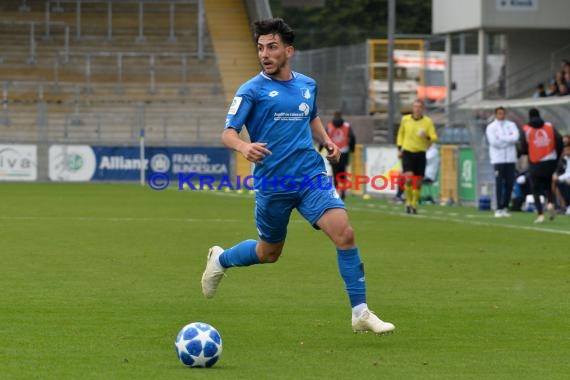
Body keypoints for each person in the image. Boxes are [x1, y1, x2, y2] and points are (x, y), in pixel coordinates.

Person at [200, 18, 395, 335]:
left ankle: (360, 312)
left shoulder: (307, 84)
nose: (265, 53)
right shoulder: (251, 90)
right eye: (261, 48)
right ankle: (221, 260)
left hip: (310, 176)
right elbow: (228, 133)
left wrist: (326, 141)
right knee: (269, 253)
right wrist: (243, 146)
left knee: (344, 233)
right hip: (273, 183)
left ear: (288, 51)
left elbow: (312, 116)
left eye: (272, 47)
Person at [520, 108, 564, 223]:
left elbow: (523, 147)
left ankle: (540, 214)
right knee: (549, 186)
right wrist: (556, 154)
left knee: (535, 188)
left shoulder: (526, 129)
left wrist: (528, 152)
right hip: (550, 161)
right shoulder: (549, 126)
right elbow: (559, 140)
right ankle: (550, 203)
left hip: (535, 162)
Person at [396, 99, 438, 214]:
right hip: (408, 152)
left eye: (419, 106)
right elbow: (401, 134)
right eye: (415, 106)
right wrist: (399, 149)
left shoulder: (427, 122)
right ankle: (408, 202)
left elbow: (434, 137)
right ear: (413, 108)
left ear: (422, 108)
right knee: (409, 178)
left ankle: (414, 204)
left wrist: (426, 136)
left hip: (420, 152)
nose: (417, 109)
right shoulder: (406, 120)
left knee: (418, 181)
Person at [485, 106, 520, 217]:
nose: (501, 115)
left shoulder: (511, 125)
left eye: (503, 113)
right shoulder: (491, 127)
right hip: (498, 159)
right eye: (499, 113)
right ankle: (498, 208)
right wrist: (508, 140)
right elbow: (494, 142)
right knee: (499, 183)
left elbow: (515, 138)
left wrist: (502, 138)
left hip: (510, 158)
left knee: (510, 183)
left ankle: (505, 206)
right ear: (495, 114)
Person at [323, 111, 356, 200]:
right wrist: (352, 149)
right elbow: (352, 137)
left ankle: (337, 191)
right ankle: (343, 192)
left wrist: (321, 147)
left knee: (335, 172)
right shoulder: (347, 126)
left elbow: (324, 137)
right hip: (344, 151)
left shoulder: (329, 126)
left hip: (333, 151)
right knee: (343, 173)